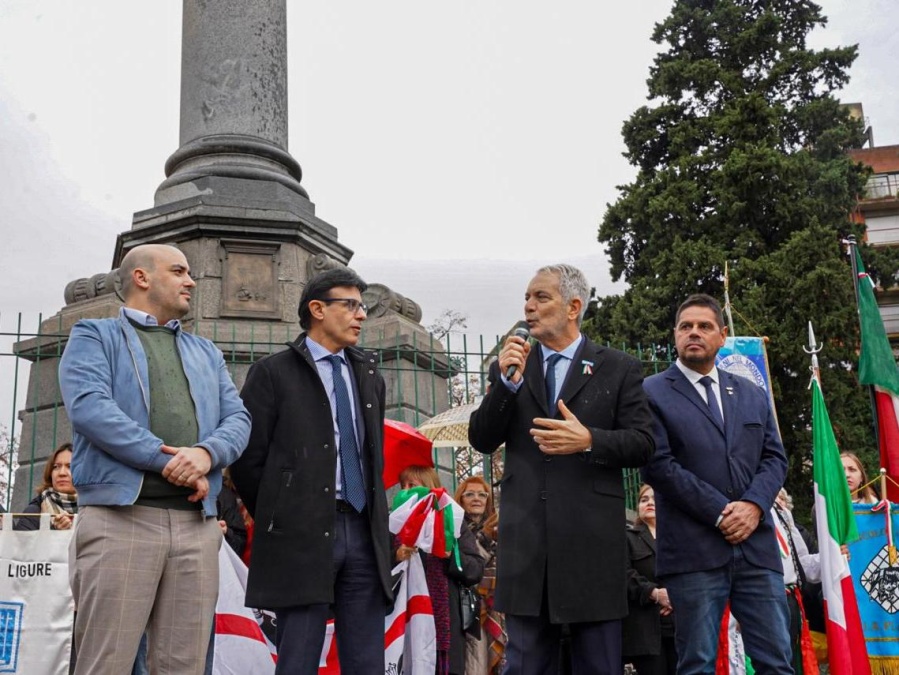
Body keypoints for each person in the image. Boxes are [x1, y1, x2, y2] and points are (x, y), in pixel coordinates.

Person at [58, 243, 251, 675]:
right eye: (179, 271)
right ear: (142, 278)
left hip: (195, 529)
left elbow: (238, 418)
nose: (192, 281)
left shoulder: (207, 352)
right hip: (119, 520)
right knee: (105, 663)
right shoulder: (94, 335)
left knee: (183, 665)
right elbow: (90, 407)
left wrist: (206, 453)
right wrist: (163, 460)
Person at [468, 263, 655, 675]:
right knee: (528, 665)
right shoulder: (511, 367)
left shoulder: (618, 368)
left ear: (573, 306)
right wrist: (505, 385)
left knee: (597, 664)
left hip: (591, 547)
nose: (528, 307)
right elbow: (481, 438)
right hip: (526, 549)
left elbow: (643, 443)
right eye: (527, 298)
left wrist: (589, 440)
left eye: (541, 297)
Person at [230, 267, 393, 674]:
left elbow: (373, 455)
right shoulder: (272, 372)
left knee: (366, 658)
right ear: (317, 309)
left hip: (362, 530)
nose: (361, 315)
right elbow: (248, 461)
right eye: (351, 304)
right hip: (300, 533)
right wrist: (281, 511)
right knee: (299, 655)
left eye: (363, 306)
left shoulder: (369, 374)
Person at [642, 293, 791, 675]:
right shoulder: (651, 392)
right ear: (674, 336)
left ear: (722, 336)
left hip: (756, 550)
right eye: (685, 326)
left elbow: (774, 458)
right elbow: (658, 464)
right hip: (693, 552)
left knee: (777, 662)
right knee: (696, 664)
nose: (694, 333)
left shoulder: (751, 393)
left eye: (704, 326)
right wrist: (721, 513)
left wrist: (754, 506)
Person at [397, 466, 485, 675]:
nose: (406, 491)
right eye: (403, 486)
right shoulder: (394, 522)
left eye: (413, 486)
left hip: (443, 625)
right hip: (404, 620)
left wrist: (449, 554)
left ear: (429, 488)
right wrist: (397, 555)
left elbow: (475, 569)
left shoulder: (451, 522)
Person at [454, 476, 506, 675]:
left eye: (482, 495)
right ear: (460, 499)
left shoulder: (498, 527)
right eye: (470, 494)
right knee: (474, 659)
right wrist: (484, 537)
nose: (477, 499)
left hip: (496, 606)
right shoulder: (456, 527)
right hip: (468, 606)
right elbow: (470, 566)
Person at [623, 485, 676, 675]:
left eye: (654, 499)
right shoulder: (627, 537)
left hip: (680, 625)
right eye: (644, 500)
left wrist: (675, 596)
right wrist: (655, 593)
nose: (649, 503)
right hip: (646, 630)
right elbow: (623, 574)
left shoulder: (677, 539)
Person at [14, 442, 77, 531]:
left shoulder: (95, 510)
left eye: (70, 466)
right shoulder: (34, 512)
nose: (62, 473)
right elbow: (22, 544)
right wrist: (54, 531)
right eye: (56, 467)